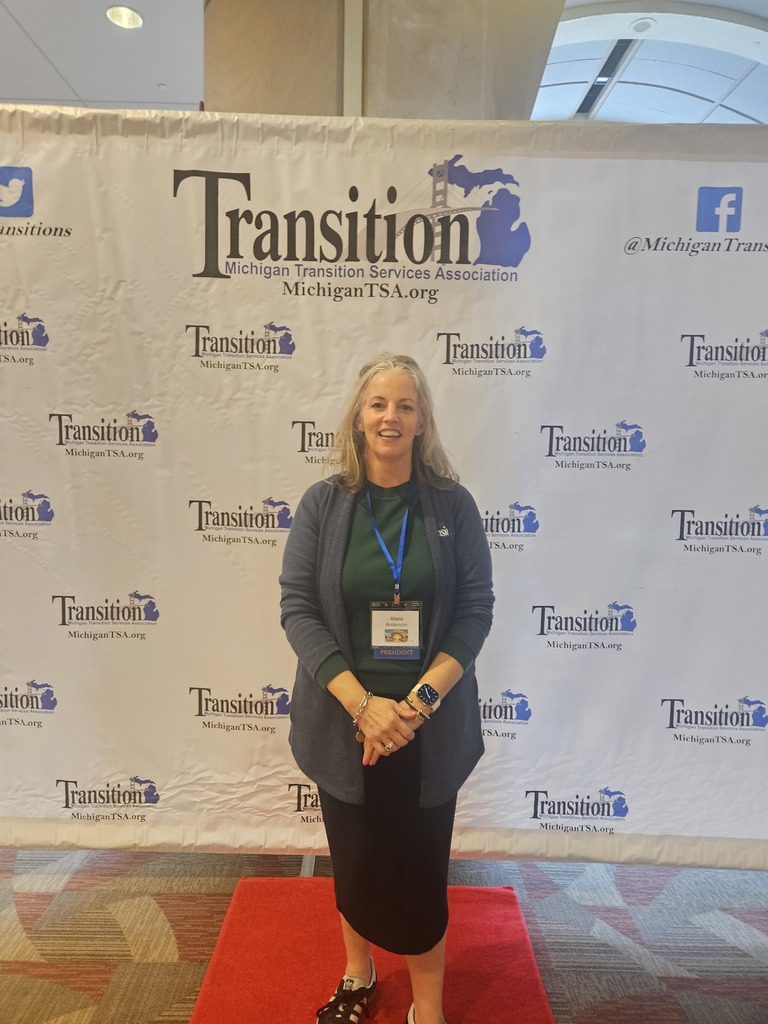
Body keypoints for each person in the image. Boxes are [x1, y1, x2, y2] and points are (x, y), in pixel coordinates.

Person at [280, 354, 494, 1024]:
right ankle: (358, 973)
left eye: (405, 405)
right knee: (355, 858)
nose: (390, 417)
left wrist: (416, 707)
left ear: (422, 420)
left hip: (427, 727)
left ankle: (427, 1006)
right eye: (378, 404)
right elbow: (298, 610)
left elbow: (475, 611)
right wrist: (364, 707)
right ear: (358, 416)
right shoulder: (323, 504)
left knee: (421, 869)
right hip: (346, 722)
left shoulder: (453, 506)